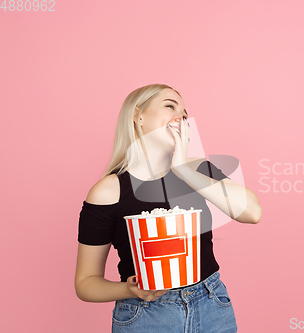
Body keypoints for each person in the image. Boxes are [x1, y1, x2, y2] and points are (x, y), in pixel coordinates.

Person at [75, 83, 263, 332]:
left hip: (211, 305)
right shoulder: (109, 191)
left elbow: (252, 212)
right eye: (170, 106)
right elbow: (86, 283)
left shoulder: (196, 169)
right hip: (145, 315)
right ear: (138, 116)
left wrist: (183, 168)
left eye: (184, 114)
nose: (181, 117)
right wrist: (130, 289)